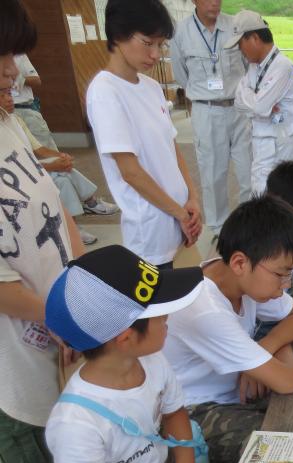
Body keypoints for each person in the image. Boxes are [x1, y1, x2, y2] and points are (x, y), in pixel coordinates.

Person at [44, 244, 220, 463]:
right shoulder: (76, 422)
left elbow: (174, 413)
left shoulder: (153, 361)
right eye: (161, 315)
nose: (169, 319)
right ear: (125, 338)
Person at [0, 0, 85, 463]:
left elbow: (55, 209)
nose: (13, 70)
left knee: (67, 458)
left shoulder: (7, 120)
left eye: (11, 54)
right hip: (17, 362)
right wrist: (63, 321)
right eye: (1, 57)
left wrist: (83, 294)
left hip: (61, 329)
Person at [162, 195, 293, 463]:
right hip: (190, 411)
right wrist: (269, 352)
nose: (285, 285)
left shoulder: (239, 279)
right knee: (284, 448)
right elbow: (287, 381)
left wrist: (267, 345)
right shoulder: (206, 309)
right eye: (280, 274)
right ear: (240, 263)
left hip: (235, 391)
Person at [86, 0, 202, 268]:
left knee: (186, 298)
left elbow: (171, 150)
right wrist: (179, 213)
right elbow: (131, 172)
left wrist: (191, 198)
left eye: (160, 44)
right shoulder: (105, 92)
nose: (156, 54)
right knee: (157, 305)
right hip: (151, 229)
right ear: (117, 35)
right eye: (147, 42)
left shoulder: (151, 87)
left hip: (179, 217)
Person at [171, 0, 252, 236]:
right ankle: (219, 229)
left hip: (238, 109)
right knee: (212, 174)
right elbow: (180, 75)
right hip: (206, 111)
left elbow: (248, 65)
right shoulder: (181, 32)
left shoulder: (234, 26)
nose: (215, 2)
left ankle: (250, 225)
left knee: (248, 172)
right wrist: (205, 95)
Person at [1, 92, 119, 246]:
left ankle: (86, 208)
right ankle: (77, 222)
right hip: (16, 179)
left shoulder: (16, 120)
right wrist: (51, 165)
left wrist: (61, 156)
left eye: (9, 93)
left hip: (31, 168)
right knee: (61, 179)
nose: (10, 98)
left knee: (63, 168)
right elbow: (15, 166)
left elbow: (39, 150)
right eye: (2, 95)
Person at [226, 10, 293, 193]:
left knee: (280, 200)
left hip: (279, 147)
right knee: (261, 197)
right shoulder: (254, 66)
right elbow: (239, 101)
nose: (240, 51)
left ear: (254, 38)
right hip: (260, 144)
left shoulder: (283, 67)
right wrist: (257, 101)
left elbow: (259, 106)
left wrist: (254, 100)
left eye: (240, 44)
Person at [11, 53, 56, 150]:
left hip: (26, 109)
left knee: (47, 150)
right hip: (4, 114)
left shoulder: (18, 55)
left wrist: (17, 79)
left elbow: (36, 81)